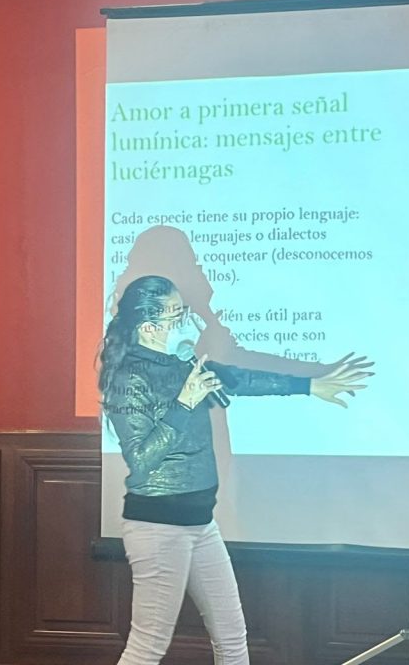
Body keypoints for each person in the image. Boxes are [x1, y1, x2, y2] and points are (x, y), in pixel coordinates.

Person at [99, 275, 371, 665]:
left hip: (200, 522)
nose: (190, 320)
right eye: (178, 315)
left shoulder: (182, 363)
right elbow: (141, 459)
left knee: (232, 638)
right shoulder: (129, 377)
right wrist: (185, 403)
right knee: (148, 647)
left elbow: (240, 379)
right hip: (158, 528)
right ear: (149, 328)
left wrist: (310, 386)